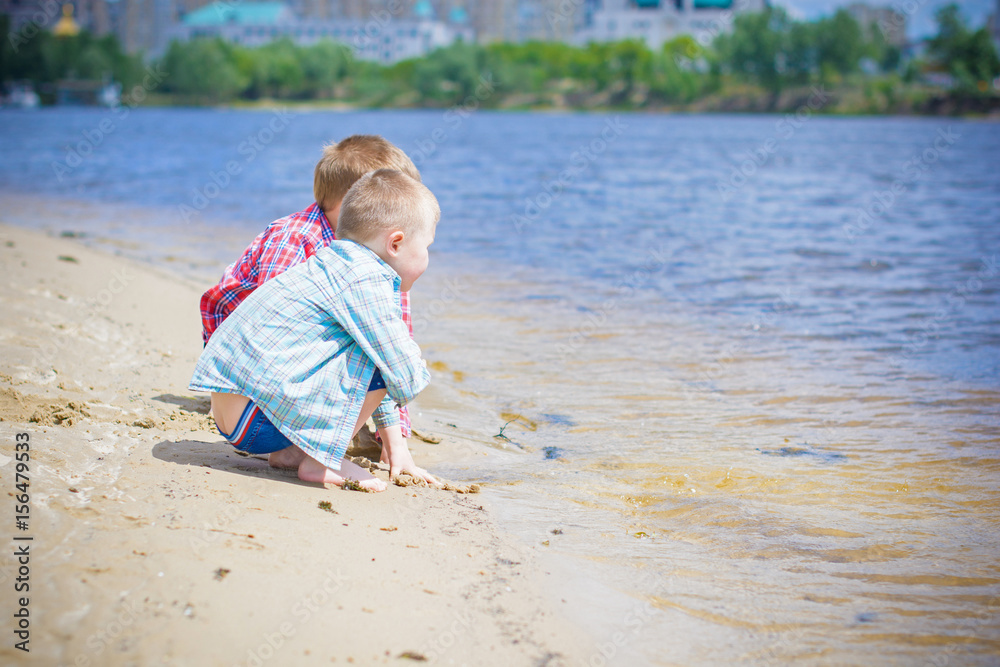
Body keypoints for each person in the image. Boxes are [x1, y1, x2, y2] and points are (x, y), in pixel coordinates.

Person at [198, 135, 432, 482]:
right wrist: (413, 377)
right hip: (255, 397)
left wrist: (396, 441)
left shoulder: (349, 260)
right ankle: (320, 458)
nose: (429, 255)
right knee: (380, 353)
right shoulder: (300, 240)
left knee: (370, 346)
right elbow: (391, 358)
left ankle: (300, 449)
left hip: (243, 405)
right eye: (428, 245)